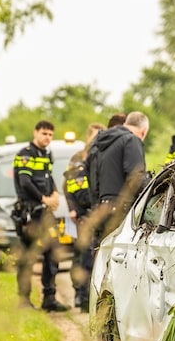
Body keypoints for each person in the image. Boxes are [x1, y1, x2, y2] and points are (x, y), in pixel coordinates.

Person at [12, 120, 70, 312]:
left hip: (45, 215)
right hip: (30, 214)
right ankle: (23, 300)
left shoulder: (46, 154)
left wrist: (54, 193)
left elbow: (48, 176)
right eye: (44, 133)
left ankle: (49, 298)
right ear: (35, 132)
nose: (47, 137)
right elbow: (25, 182)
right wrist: (44, 199)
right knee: (28, 257)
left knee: (52, 253)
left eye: (50, 135)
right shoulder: (25, 154)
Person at [86, 111, 150, 239]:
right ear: (143, 131)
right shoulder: (131, 140)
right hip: (121, 212)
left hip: (100, 210)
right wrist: (153, 191)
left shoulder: (98, 144)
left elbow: (92, 181)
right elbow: (136, 179)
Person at [64, 122, 105, 311]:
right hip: (81, 213)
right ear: (89, 136)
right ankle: (79, 295)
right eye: (95, 135)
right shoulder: (77, 158)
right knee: (82, 255)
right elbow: (68, 186)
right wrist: (72, 208)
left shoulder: (102, 155)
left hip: (97, 211)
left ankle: (90, 295)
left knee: (94, 254)